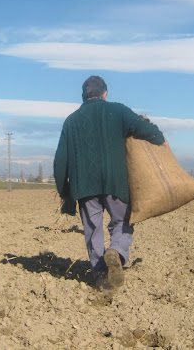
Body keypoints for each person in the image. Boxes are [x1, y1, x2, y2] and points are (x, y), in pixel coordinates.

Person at [53, 75, 166, 289]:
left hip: (85, 188)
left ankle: (101, 278)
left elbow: (60, 161)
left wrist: (64, 191)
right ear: (105, 94)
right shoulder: (118, 110)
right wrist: (160, 139)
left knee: (92, 231)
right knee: (122, 222)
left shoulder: (71, 121)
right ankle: (116, 252)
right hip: (116, 184)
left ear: (83, 96)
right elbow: (142, 126)